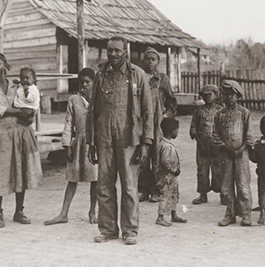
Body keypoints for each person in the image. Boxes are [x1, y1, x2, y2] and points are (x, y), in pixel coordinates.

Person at [86, 36, 154, 245]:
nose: (113, 54)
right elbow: (92, 110)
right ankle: (107, 230)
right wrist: (91, 141)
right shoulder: (100, 75)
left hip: (129, 139)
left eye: (117, 50)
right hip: (104, 137)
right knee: (104, 185)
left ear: (125, 51)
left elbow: (147, 111)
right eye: (110, 51)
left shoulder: (138, 75)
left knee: (130, 186)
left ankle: (130, 230)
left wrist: (145, 143)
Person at [0, 52, 42, 228]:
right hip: (0, 133)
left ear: (5, 65)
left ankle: (19, 211)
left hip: (20, 131)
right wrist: (16, 111)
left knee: (20, 170)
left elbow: (31, 101)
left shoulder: (17, 85)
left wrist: (30, 114)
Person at [45, 68, 98, 226]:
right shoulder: (74, 99)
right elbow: (69, 123)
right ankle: (64, 213)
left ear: (94, 83)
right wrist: (67, 145)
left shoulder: (99, 99)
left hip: (95, 144)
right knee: (72, 179)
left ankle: (92, 211)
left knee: (95, 180)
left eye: (88, 82)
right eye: (81, 82)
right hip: (79, 144)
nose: (84, 84)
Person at [213, 80, 253, 226]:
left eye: (232, 95)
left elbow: (249, 135)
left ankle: (246, 214)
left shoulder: (244, 113)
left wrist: (241, 149)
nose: (229, 98)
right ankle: (230, 214)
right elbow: (215, 135)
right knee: (226, 186)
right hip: (226, 154)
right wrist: (227, 149)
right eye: (226, 95)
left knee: (242, 185)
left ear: (238, 96)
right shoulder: (219, 114)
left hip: (241, 155)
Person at [139, 47, 176, 202]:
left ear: (158, 62)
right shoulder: (139, 77)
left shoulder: (163, 79)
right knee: (142, 156)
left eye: (153, 59)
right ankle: (142, 190)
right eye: (147, 59)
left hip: (157, 125)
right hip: (142, 123)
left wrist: (165, 116)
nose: (150, 62)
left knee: (157, 156)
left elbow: (172, 102)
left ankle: (156, 190)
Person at [190, 84, 223, 205]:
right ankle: (202, 195)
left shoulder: (221, 111)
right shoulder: (198, 111)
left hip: (217, 147)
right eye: (204, 95)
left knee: (218, 171)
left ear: (216, 95)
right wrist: (200, 143)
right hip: (202, 147)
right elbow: (193, 129)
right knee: (202, 171)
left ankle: (222, 194)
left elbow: (224, 130)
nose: (207, 97)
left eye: (210, 94)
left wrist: (219, 144)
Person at [155, 118, 187, 227]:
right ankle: (160, 217)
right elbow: (165, 162)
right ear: (172, 131)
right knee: (165, 195)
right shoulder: (166, 146)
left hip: (171, 176)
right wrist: (174, 170)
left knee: (173, 194)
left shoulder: (166, 143)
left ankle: (174, 214)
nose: (177, 132)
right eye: (177, 130)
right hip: (166, 176)